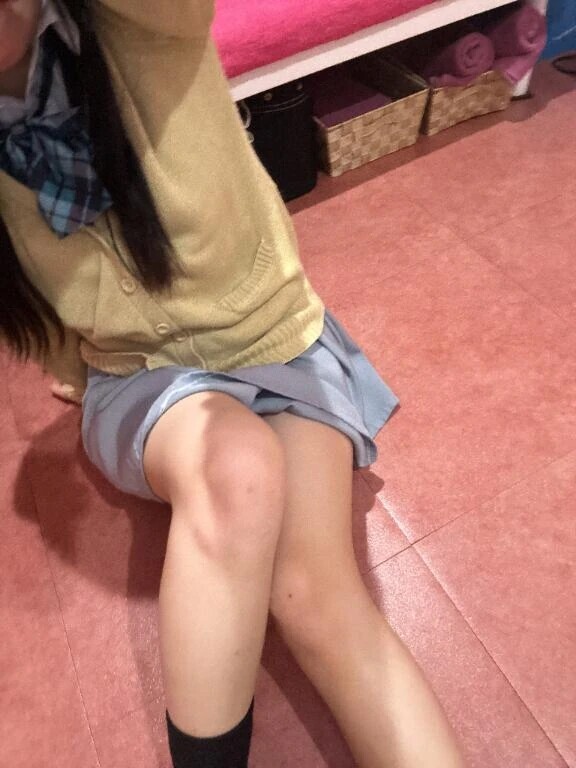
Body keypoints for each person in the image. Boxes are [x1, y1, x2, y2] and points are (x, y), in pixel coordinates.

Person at [0, 1, 465, 766]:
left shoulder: (136, 21)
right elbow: (35, 313)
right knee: (236, 471)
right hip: (138, 377)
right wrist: (79, 380)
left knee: (316, 599)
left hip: (275, 341)